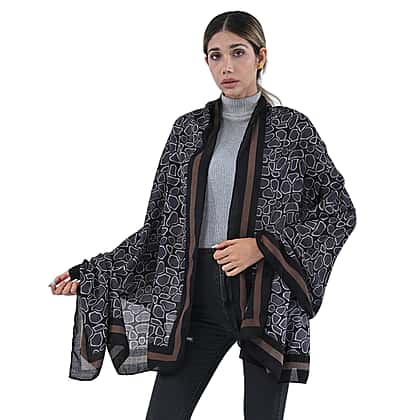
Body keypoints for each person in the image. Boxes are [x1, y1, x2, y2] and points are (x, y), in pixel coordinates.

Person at [49, 10, 357, 420]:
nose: (226, 66)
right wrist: (93, 272)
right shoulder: (187, 131)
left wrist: (262, 247)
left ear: (261, 57)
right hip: (198, 298)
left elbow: (339, 210)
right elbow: (160, 227)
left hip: (265, 297)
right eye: (215, 55)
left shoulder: (292, 130)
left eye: (238, 52)